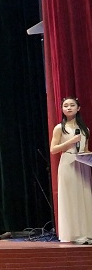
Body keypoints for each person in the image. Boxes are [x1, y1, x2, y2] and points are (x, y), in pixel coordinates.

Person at [49, 97, 92, 243]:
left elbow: (85, 149)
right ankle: (73, 234)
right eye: (65, 105)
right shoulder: (59, 128)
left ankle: (87, 232)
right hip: (68, 162)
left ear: (78, 108)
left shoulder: (85, 129)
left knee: (85, 196)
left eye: (72, 105)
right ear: (62, 109)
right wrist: (70, 142)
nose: (69, 108)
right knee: (71, 197)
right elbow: (53, 149)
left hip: (82, 163)